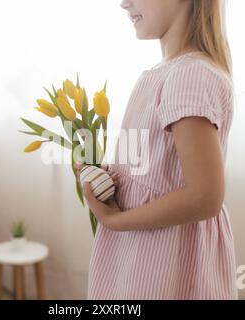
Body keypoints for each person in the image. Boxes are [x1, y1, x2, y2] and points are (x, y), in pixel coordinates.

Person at [75, 0, 238, 300]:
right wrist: (113, 179)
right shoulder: (162, 75)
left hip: (164, 260)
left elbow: (205, 196)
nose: (124, 3)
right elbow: (156, 172)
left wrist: (114, 220)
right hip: (140, 252)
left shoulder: (190, 76)